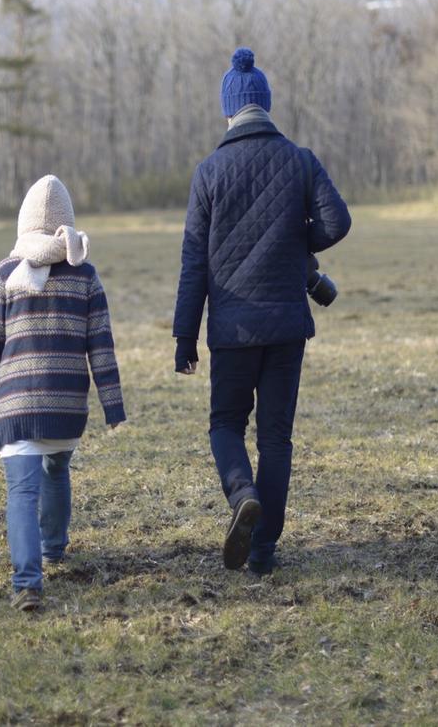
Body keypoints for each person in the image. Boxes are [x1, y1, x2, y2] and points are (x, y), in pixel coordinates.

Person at [173, 48, 350, 575]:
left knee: (225, 424)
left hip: (231, 328)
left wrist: (185, 337)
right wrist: (302, 245)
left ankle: (241, 495)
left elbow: (193, 264)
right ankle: (264, 549)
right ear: (266, 105)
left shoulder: (208, 172)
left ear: (228, 112)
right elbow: (336, 223)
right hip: (287, 328)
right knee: (276, 437)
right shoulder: (300, 159)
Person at [0, 175, 125, 612]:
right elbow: (101, 344)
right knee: (57, 468)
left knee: (21, 491)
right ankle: (55, 547)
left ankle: (27, 582)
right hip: (65, 405)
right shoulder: (85, 275)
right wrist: (112, 405)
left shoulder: (6, 274)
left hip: (16, 405)